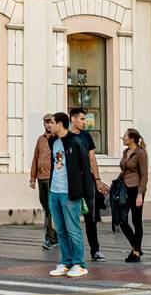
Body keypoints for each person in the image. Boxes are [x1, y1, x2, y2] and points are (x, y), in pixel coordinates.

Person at [48, 112, 91, 278]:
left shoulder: (75, 142)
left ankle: (79, 263)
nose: (49, 125)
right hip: (55, 192)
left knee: (73, 229)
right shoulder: (55, 142)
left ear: (60, 123)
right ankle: (66, 262)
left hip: (70, 192)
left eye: (52, 123)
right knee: (60, 230)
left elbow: (85, 168)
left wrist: (87, 194)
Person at [69, 107, 108, 261]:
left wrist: (97, 180)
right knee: (71, 217)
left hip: (87, 182)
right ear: (73, 119)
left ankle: (95, 250)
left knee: (90, 217)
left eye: (85, 119)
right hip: (72, 182)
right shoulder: (66, 137)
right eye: (82, 119)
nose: (85, 122)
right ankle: (73, 252)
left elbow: (92, 159)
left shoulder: (87, 137)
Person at [118, 128, 148, 263]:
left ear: (132, 139)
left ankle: (136, 252)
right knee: (121, 220)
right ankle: (136, 247)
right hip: (124, 189)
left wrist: (140, 194)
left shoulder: (140, 153)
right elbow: (124, 171)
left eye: (125, 136)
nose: (123, 138)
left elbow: (144, 176)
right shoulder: (125, 152)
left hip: (136, 190)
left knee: (136, 221)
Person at [29, 115, 58, 249]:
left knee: (51, 208)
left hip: (52, 178)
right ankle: (56, 235)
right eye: (46, 122)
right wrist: (32, 178)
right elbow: (35, 158)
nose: (48, 125)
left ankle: (50, 238)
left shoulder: (58, 139)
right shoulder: (40, 139)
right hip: (41, 178)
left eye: (51, 122)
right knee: (46, 206)